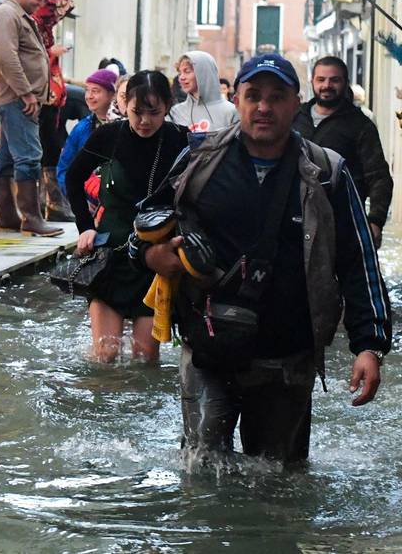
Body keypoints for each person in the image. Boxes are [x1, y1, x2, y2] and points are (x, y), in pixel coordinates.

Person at [133, 53, 391, 466]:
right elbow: (143, 226)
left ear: (296, 103)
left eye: (277, 96)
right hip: (207, 350)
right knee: (201, 477)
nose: (264, 107)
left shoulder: (328, 173)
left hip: (287, 356)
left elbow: (358, 261)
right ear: (236, 100)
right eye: (253, 95)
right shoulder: (198, 160)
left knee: (280, 485)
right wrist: (152, 254)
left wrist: (369, 346)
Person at [65, 70, 189, 363]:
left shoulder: (178, 140)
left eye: (154, 113)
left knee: (145, 358)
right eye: (137, 112)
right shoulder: (109, 135)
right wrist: (84, 227)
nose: (144, 121)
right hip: (110, 253)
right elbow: (73, 177)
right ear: (123, 105)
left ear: (167, 107)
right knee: (105, 354)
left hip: (155, 256)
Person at [0, 0, 61, 236]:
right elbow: (7, 57)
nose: (39, 5)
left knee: (6, 157)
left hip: (17, 98)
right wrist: (27, 93)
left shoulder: (19, 16)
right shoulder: (8, 15)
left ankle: (7, 216)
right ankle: (31, 218)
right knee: (29, 156)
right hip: (17, 99)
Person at [292, 56, 393, 249]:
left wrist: (375, 222)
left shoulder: (360, 125)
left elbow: (379, 177)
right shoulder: (295, 118)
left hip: (343, 225)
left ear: (345, 82)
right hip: (295, 222)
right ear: (312, 81)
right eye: (321, 79)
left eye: (334, 80)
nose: (327, 85)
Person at [32, 0, 76, 222]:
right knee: (46, 149)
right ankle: (48, 205)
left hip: (51, 99)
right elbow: (32, 58)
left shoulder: (44, 28)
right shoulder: (37, 27)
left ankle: (48, 204)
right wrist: (52, 52)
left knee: (49, 148)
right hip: (42, 99)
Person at [57, 68, 116, 196]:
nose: (89, 96)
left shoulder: (125, 127)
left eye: (95, 91)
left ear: (112, 95)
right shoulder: (81, 128)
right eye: (87, 90)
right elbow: (64, 169)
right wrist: (78, 198)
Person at [169, 51, 239, 132]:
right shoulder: (175, 112)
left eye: (187, 71)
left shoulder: (231, 111)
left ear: (203, 73)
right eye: (179, 73)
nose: (181, 77)